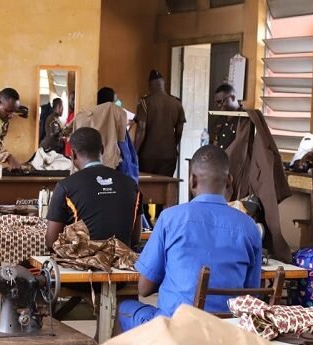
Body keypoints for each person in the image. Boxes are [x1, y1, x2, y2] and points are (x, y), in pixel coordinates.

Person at [117, 145, 262, 330]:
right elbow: (251, 295)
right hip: (227, 331)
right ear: (229, 181)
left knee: (124, 308)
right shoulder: (249, 227)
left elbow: (144, 289)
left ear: (192, 180)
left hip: (175, 328)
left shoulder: (170, 218)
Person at [46, 127, 140, 250]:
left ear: (73, 154)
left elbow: (51, 242)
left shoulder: (66, 186)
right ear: (102, 149)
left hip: (82, 265)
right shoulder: (131, 184)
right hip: (122, 263)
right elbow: (135, 238)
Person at [134, 69, 186, 177]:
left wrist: (134, 151)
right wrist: (173, 145)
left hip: (148, 155)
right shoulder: (177, 103)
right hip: (169, 155)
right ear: (164, 84)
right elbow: (180, 130)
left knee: (148, 188)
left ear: (150, 85)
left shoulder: (145, 103)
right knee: (166, 187)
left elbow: (141, 129)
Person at [211, 83, 243, 150]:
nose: (219, 105)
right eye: (217, 103)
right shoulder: (219, 119)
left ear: (233, 98)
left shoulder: (244, 119)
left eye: (221, 101)